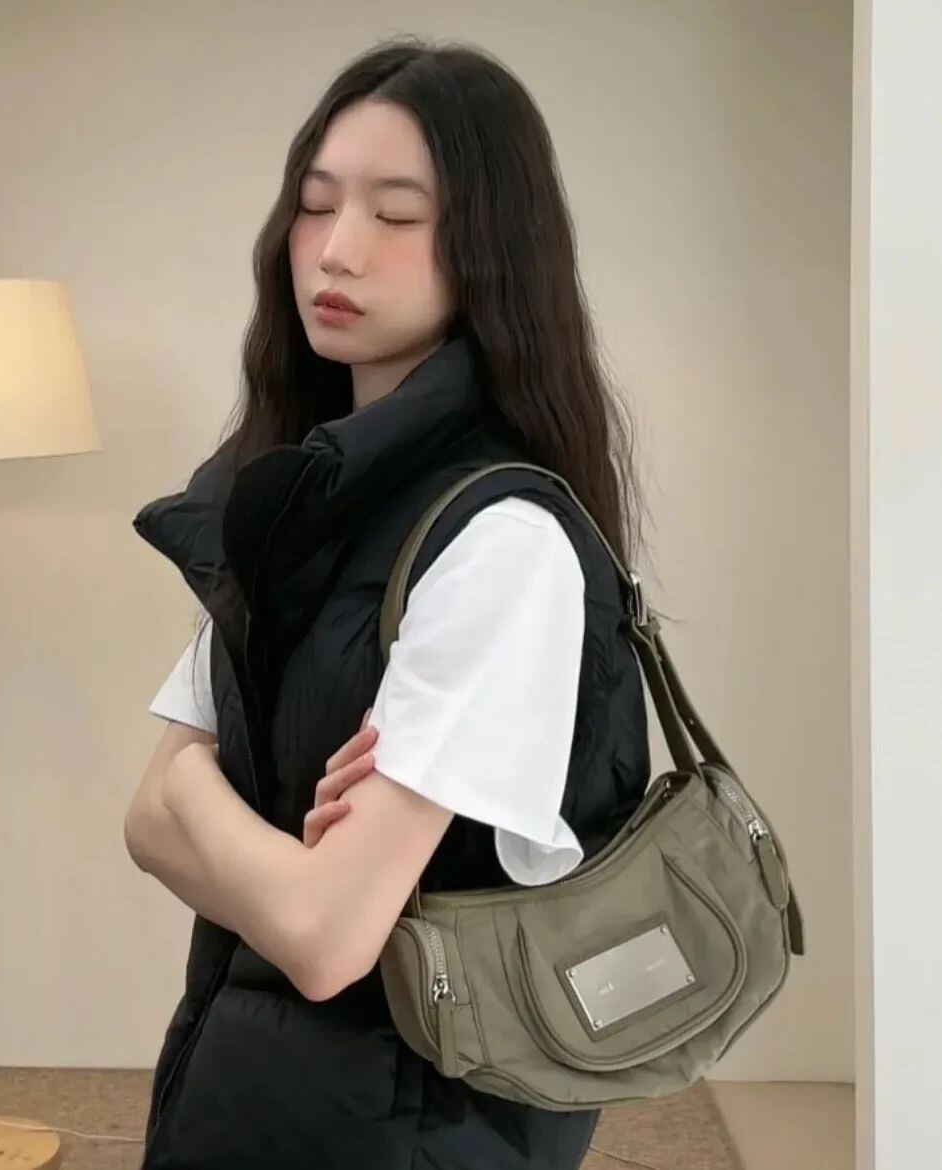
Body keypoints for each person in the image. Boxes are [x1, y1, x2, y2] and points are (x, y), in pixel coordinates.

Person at [125, 36, 650, 1170]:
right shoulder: (296, 503)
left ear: (490, 250)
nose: (337, 249)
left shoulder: (500, 545)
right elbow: (142, 822)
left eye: (396, 215)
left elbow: (323, 938)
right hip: (247, 1091)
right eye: (316, 207)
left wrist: (197, 790)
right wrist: (262, 843)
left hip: (407, 1133)